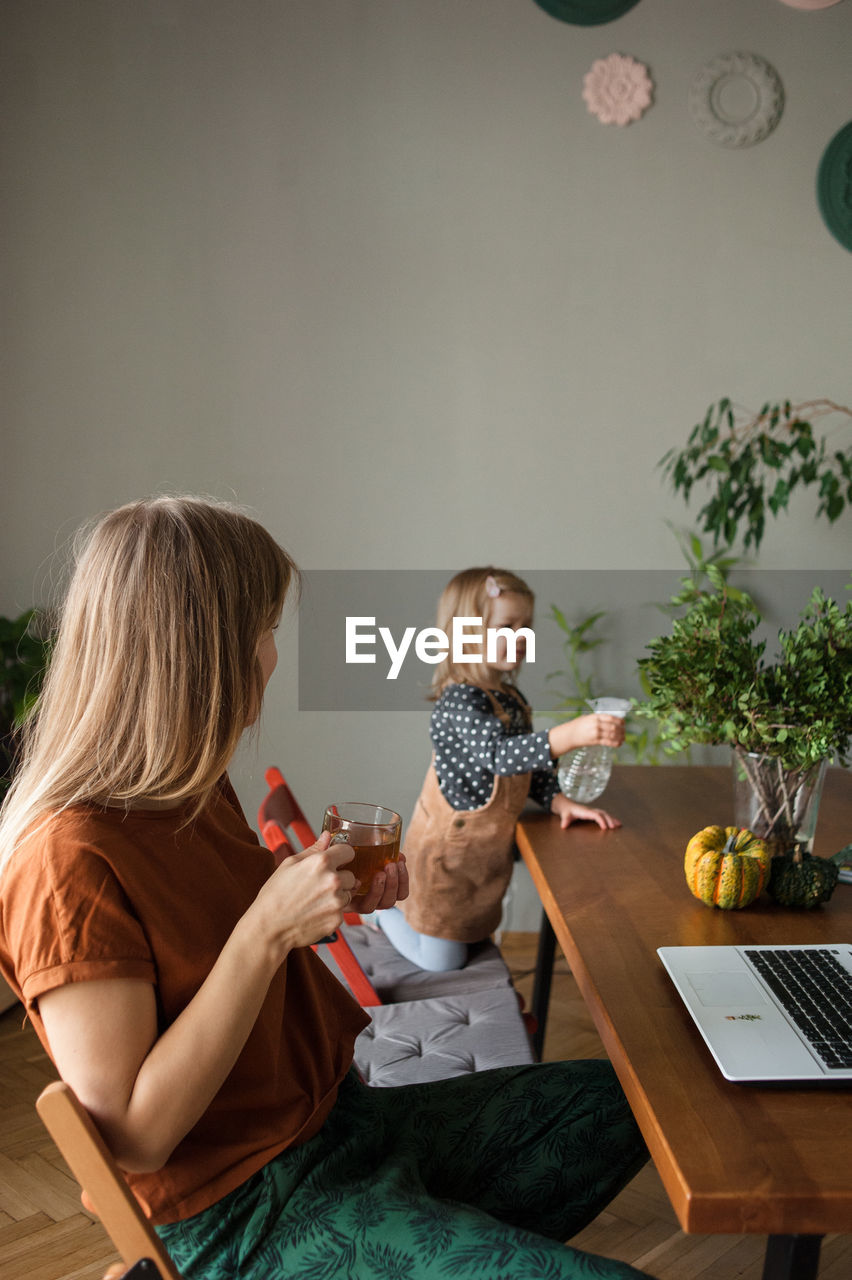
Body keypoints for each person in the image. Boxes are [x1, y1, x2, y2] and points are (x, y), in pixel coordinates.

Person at [0, 499, 648, 1280]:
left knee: (636, 1101)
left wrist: (316, 899)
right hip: (249, 1213)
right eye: (266, 631)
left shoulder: (188, 790)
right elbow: (136, 1138)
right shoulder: (65, 863)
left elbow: (212, 944)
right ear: (205, 651)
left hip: (344, 1125)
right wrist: (266, 930)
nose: (275, 656)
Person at [378, 567, 625, 972]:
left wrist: (559, 801)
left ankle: (422, 927)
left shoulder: (510, 697)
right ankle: (380, 915)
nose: (521, 636)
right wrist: (570, 734)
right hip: (449, 857)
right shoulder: (460, 700)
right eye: (507, 626)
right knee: (444, 961)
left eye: (526, 626)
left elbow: (529, 768)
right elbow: (500, 756)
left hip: (481, 856)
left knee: (469, 934)